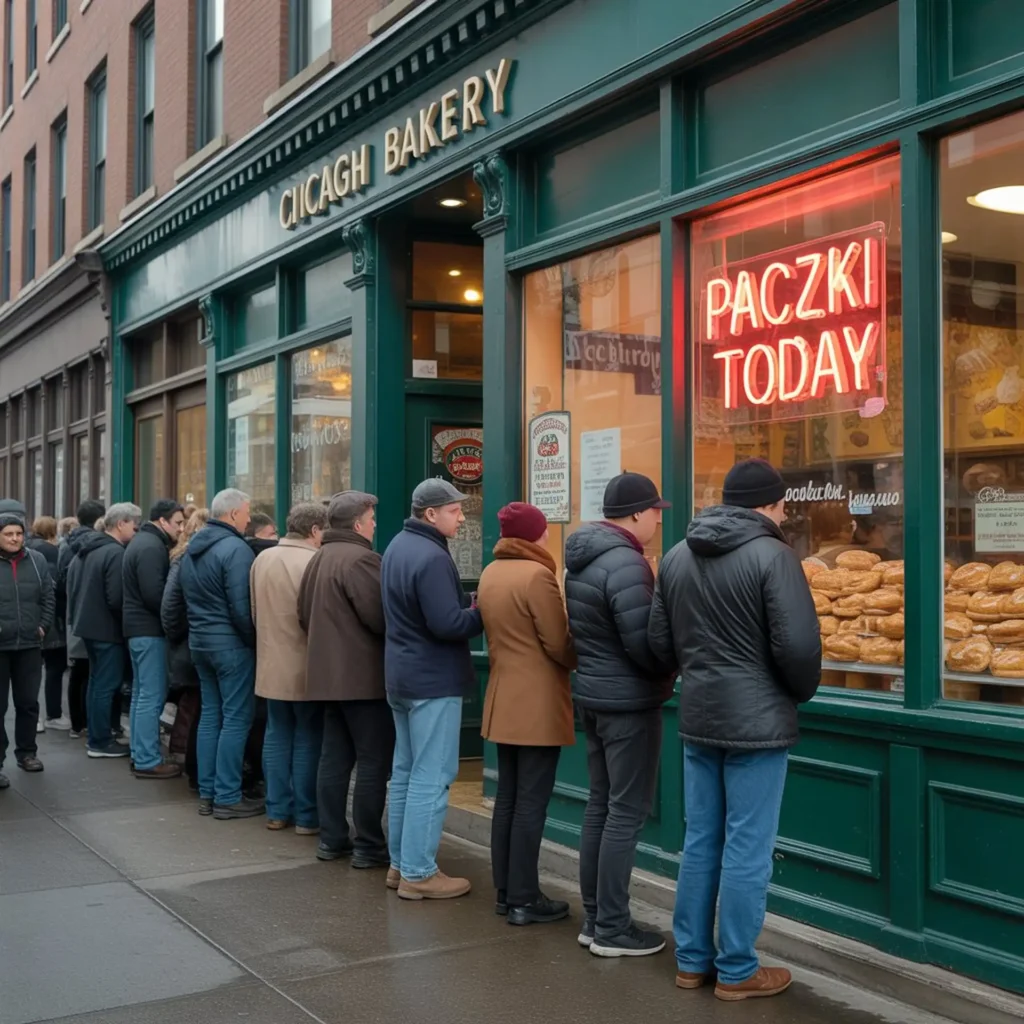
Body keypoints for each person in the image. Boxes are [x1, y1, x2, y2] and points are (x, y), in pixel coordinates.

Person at [648, 458, 821, 1002]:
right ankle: (738, 969)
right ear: (769, 505)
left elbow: (658, 643)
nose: (786, 511)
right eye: (782, 502)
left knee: (701, 841)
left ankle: (693, 961)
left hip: (699, 716)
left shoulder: (676, 556)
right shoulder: (775, 555)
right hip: (758, 721)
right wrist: (796, 691)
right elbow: (797, 648)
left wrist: (699, 672)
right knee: (748, 846)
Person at [564, 471, 674, 957]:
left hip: (592, 696)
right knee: (625, 813)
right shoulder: (627, 564)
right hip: (628, 703)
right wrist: (670, 665)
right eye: (655, 511)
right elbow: (644, 647)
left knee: (601, 807)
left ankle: (594, 918)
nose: (657, 519)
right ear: (634, 514)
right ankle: (612, 926)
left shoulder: (584, 559)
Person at [381, 479, 483, 899]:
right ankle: (419, 873)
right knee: (432, 775)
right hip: (432, 679)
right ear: (431, 514)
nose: (462, 517)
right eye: (455, 511)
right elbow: (448, 623)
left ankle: (400, 864)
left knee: (404, 773)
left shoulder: (396, 547)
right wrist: (479, 611)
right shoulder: (432, 556)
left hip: (401, 675)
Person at [478, 502, 576, 925]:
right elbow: (558, 643)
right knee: (532, 802)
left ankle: (505, 891)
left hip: (502, 699)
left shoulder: (490, 572)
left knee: (508, 798)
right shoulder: (537, 575)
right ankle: (524, 897)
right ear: (535, 535)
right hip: (536, 703)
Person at [299, 490, 395, 867]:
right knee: (373, 762)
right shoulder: (361, 560)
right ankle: (369, 844)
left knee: (334, 759)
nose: (374, 525)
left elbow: (303, 614)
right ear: (358, 524)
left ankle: (332, 838)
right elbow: (380, 619)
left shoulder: (319, 557)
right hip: (362, 677)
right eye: (372, 519)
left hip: (326, 676)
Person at [180, 488, 262, 820]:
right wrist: (254, 641)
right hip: (230, 646)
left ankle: (208, 791)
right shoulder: (236, 550)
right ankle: (227, 796)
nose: (248, 518)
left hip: (200, 643)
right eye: (246, 512)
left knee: (211, 716)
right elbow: (243, 610)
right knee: (236, 719)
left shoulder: (191, 550)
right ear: (231, 515)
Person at [250, 502, 327, 834]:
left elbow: (253, 613)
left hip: (269, 661)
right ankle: (307, 816)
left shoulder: (261, 559)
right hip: (304, 664)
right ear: (314, 530)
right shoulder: (314, 561)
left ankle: (277, 810)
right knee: (308, 738)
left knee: (277, 734)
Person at [69, 503, 140, 758]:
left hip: (89, 626)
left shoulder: (89, 549)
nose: (136, 530)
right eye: (135, 525)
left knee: (97, 683)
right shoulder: (114, 553)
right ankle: (99, 741)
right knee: (105, 685)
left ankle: (96, 736)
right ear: (121, 523)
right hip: (107, 630)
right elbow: (116, 599)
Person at [123, 499, 185, 779]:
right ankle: (147, 758)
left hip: (138, 631)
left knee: (141, 695)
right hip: (149, 632)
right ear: (163, 521)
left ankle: (141, 753)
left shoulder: (143, 542)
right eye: (178, 523)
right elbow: (155, 595)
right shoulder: (150, 547)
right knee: (151, 696)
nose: (182, 529)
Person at [0, 511, 56, 781]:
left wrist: (43, 625)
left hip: (30, 645)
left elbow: (48, 595)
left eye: (19, 534)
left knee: (28, 703)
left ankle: (27, 753)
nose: (14, 538)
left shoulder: (36, 561)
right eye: (8, 534)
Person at [162, 508, 209, 791]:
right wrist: (180, 635)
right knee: (195, 706)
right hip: (190, 644)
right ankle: (191, 764)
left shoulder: (180, 557)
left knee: (193, 705)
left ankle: (186, 758)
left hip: (188, 642)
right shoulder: (185, 560)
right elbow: (170, 609)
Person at [59, 501, 106, 738]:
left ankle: (77, 724)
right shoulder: (94, 544)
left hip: (72, 614)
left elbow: (62, 581)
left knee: (77, 672)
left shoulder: (67, 544)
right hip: (88, 615)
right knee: (88, 672)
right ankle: (85, 723)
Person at [27, 516, 70, 731]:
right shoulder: (52, 552)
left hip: (27, 619)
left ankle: (34, 718)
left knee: (29, 671)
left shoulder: (25, 549)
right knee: (54, 667)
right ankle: (53, 714)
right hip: (50, 620)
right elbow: (55, 590)